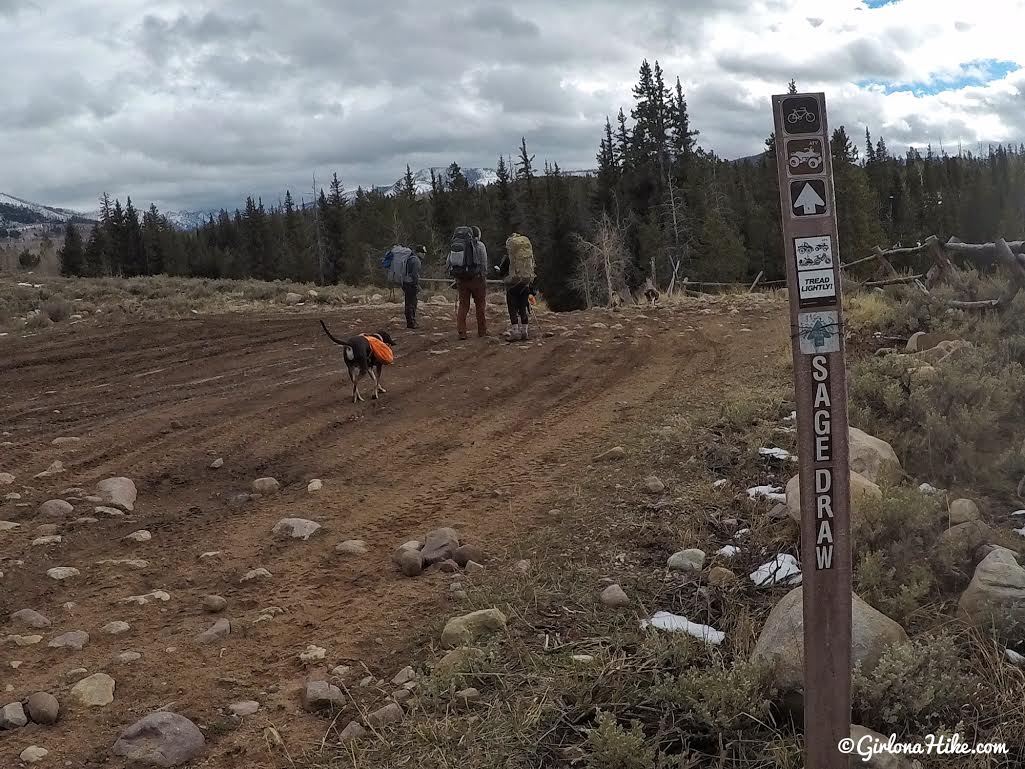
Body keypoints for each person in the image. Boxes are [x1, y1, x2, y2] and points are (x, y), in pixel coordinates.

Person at [494, 232, 536, 341]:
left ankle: (515, 332)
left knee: (512, 309)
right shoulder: (527, 256)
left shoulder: (508, 258)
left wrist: (498, 270)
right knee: (523, 308)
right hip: (525, 284)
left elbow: (502, 272)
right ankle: (525, 332)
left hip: (512, 286)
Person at [455, 226, 488, 340]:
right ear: (478, 234)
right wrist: (483, 276)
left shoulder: (459, 245)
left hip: (462, 280)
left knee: (463, 305)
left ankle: (462, 332)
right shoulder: (480, 245)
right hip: (477, 279)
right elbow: (484, 263)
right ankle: (482, 331)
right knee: (480, 305)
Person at [403, 245, 424, 329]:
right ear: (419, 252)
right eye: (422, 252)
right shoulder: (416, 260)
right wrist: (417, 285)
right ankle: (411, 322)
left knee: (408, 302)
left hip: (405, 282)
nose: (424, 254)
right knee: (412, 303)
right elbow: (415, 275)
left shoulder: (410, 258)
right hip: (411, 283)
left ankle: (409, 322)